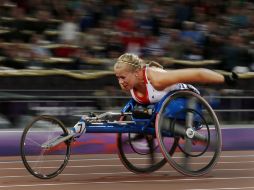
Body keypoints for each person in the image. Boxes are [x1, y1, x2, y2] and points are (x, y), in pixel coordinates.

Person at [71, 53, 237, 135]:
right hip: (161, 106)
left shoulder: (157, 79)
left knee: (159, 114)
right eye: (117, 78)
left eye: (123, 77)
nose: (120, 82)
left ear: (137, 73)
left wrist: (226, 78)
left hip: (186, 100)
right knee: (138, 113)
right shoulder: (133, 86)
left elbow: (197, 74)